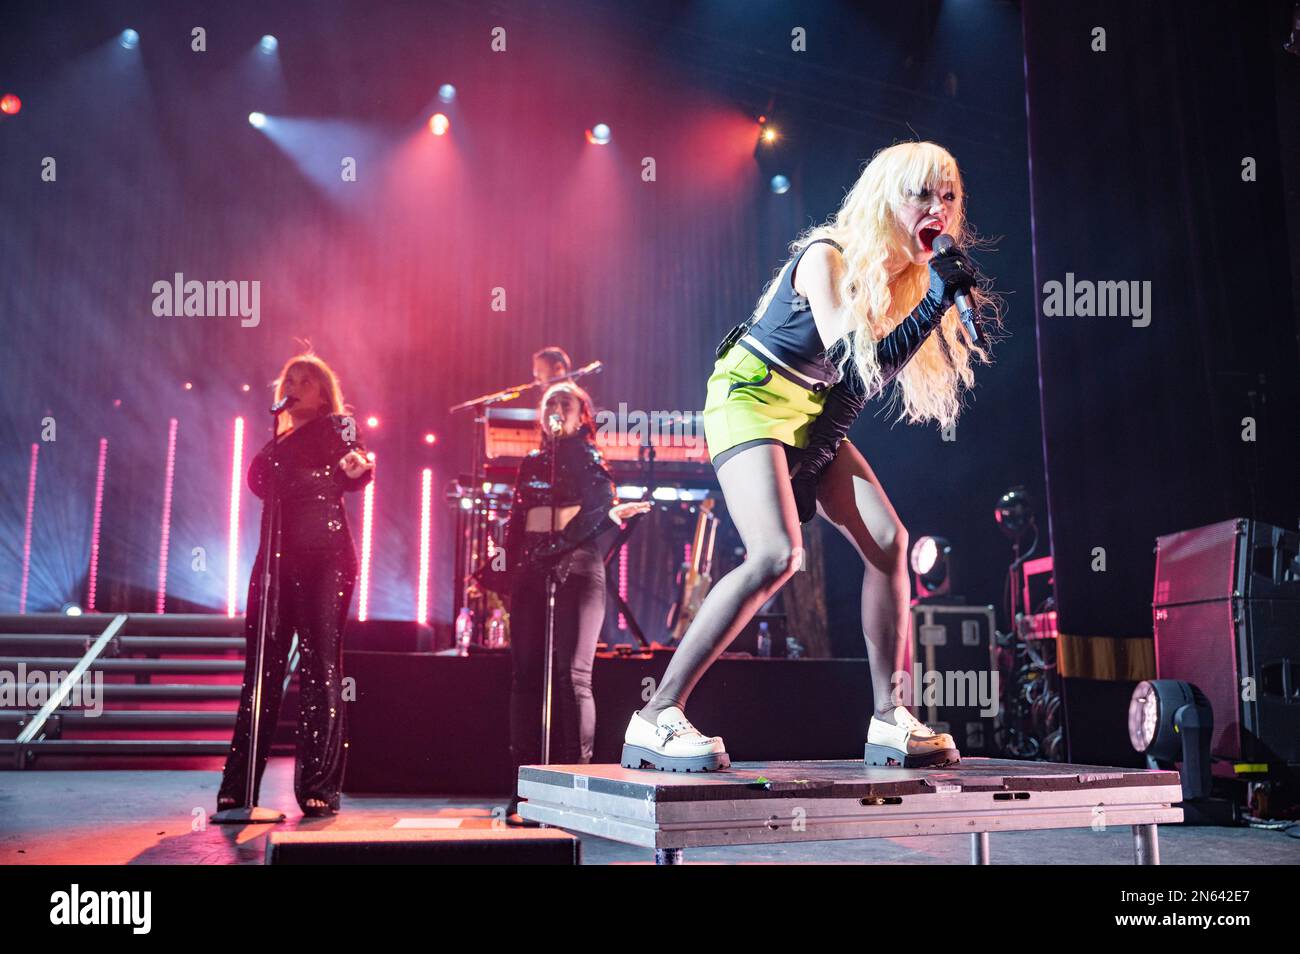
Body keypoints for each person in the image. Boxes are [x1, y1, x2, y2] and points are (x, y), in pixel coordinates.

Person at [621, 141, 995, 772]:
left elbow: (846, 393)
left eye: (949, 196)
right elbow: (858, 366)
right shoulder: (828, 256)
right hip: (748, 396)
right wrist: (935, 302)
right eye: (922, 193)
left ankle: (887, 718)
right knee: (777, 554)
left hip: (808, 415)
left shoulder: (899, 283)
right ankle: (656, 714)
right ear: (884, 198)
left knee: (889, 541)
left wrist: (816, 455)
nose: (938, 208)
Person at [474, 382, 649, 824]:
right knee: (526, 675)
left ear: (581, 416)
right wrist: (501, 569)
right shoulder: (532, 463)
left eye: (564, 403)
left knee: (573, 676)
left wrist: (557, 546)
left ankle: (576, 785)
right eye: (549, 402)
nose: (555, 408)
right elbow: (516, 522)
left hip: (576, 566)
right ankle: (526, 788)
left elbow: (600, 508)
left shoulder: (586, 455)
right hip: (532, 569)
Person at [216, 353, 374, 817]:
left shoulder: (338, 426)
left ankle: (317, 787)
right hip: (275, 563)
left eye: (307, 381)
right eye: (291, 379)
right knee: (260, 669)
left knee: (320, 667)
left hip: (326, 560)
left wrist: (355, 465)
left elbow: (359, 463)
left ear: (324, 393)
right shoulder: (277, 438)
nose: (297, 385)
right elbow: (259, 483)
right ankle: (239, 787)